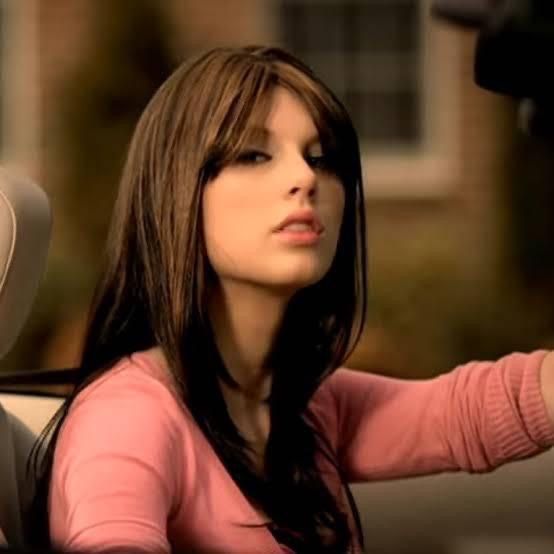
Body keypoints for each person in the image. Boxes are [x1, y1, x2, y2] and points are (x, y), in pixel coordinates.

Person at [28, 46, 554, 554]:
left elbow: (471, 412)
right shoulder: (128, 417)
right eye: (254, 154)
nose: (305, 178)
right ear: (177, 190)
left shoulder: (300, 404)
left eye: (321, 158)